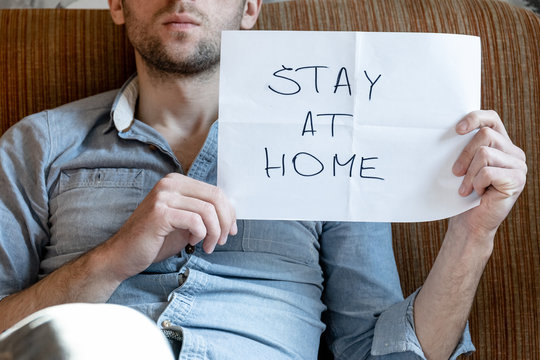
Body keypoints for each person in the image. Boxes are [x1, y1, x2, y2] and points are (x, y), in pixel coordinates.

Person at [0, 0, 527, 359]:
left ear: (250, 5)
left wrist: (473, 234)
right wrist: (111, 259)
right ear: (116, 3)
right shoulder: (38, 145)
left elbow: (379, 349)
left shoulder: (335, 147)